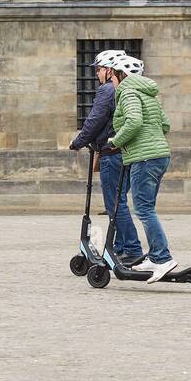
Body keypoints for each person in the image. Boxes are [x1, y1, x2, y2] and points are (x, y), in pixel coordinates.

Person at [70, 49, 143, 265]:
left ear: (110, 70)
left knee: (115, 203)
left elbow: (96, 118)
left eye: (100, 69)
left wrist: (79, 141)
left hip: (112, 153)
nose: (97, 74)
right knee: (118, 201)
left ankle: (131, 248)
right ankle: (118, 247)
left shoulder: (107, 90)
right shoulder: (127, 89)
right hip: (127, 153)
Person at [108, 55, 177, 282]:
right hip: (159, 156)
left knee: (144, 210)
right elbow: (165, 124)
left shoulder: (128, 92)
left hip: (144, 159)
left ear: (121, 75)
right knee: (148, 208)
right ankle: (156, 255)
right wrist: (152, 139)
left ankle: (163, 257)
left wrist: (115, 141)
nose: (112, 80)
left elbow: (134, 121)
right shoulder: (149, 94)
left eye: (113, 75)